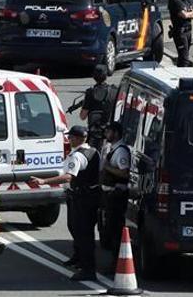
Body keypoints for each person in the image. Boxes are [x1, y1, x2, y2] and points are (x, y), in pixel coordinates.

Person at [30, 126, 101, 281]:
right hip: (89, 197)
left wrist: (44, 181)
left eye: (71, 137)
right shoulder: (92, 151)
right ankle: (82, 261)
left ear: (78, 138)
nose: (69, 140)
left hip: (83, 198)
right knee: (81, 231)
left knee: (83, 234)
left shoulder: (78, 156)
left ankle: (88, 270)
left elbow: (68, 177)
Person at [99, 122, 130, 269]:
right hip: (108, 194)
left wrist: (107, 167)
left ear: (116, 133)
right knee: (109, 229)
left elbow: (124, 172)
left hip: (116, 195)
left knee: (115, 230)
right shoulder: (113, 148)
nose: (106, 134)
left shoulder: (121, 151)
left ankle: (116, 263)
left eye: (109, 131)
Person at [78, 65, 116, 149]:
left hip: (94, 135)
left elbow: (82, 116)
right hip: (110, 134)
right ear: (106, 76)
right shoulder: (114, 91)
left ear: (93, 76)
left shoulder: (90, 92)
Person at [168, 0, 193, 67]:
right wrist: (189, 14)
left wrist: (189, 14)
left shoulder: (186, 0)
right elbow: (183, 15)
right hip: (180, 32)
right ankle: (183, 75)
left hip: (188, 31)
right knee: (184, 58)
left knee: (184, 56)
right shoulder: (175, 1)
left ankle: (181, 74)